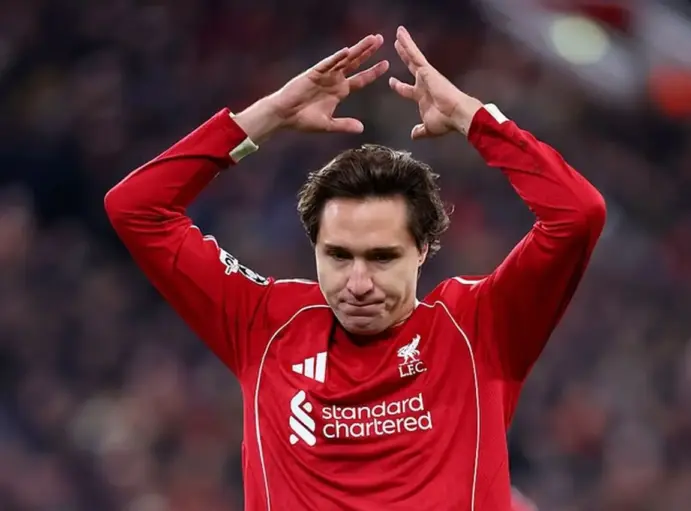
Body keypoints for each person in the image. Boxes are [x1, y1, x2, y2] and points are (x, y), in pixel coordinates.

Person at [105, 27, 605, 511]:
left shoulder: (480, 328)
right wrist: (268, 115)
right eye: (339, 256)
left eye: (382, 257)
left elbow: (577, 214)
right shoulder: (266, 324)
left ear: (423, 249)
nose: (358, 284)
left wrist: (470, 117)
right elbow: (136, 208)